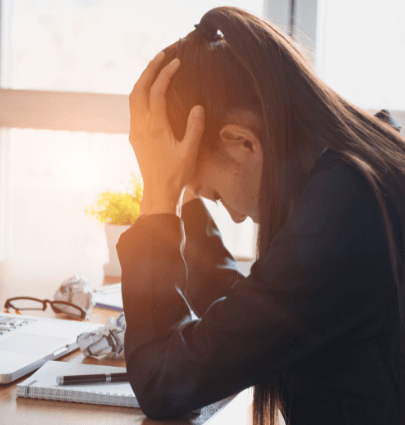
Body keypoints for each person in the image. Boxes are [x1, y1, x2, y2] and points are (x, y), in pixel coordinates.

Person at [117, 6, 405, 425]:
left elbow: (163, 382)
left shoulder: (343, 213)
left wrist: (159, 196)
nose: (230, 217)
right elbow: (255, 326)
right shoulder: (364, 159)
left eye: (209, 190)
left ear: (241, 142)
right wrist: (183, 198)